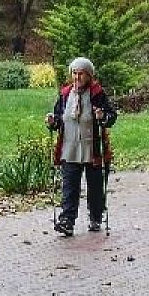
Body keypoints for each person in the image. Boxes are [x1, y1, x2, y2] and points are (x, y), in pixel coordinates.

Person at [46, 57, 117, 236]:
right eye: (74, 74)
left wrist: (102, 116)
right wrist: (52, 121)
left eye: (81, 74)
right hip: (69, 147)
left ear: (89, 75)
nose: (77, 77)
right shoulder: (65, 94)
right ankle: (67, 220)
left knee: (94, 185)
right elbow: (58, 118)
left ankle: (95, 217)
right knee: (70, 186)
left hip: (91, 147)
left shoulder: (97, 93)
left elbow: (111, 117)